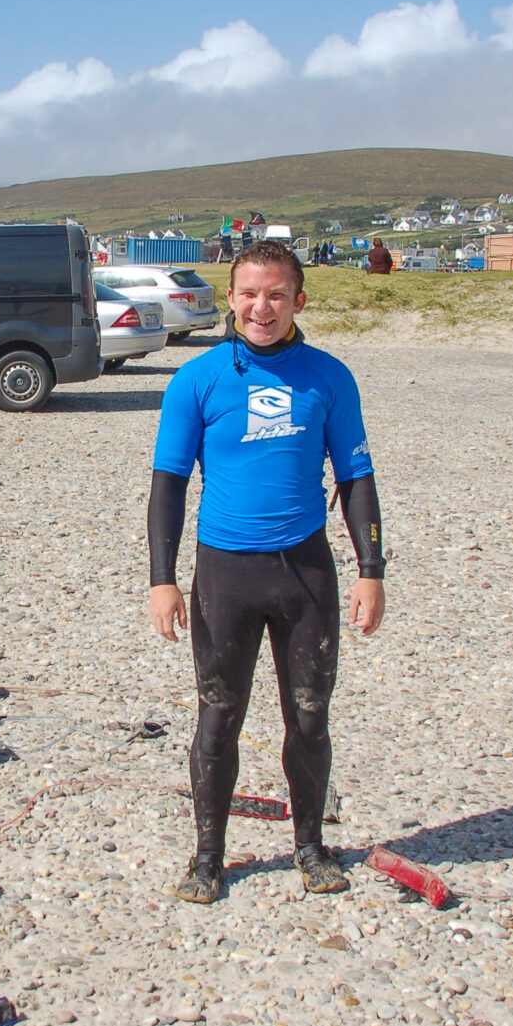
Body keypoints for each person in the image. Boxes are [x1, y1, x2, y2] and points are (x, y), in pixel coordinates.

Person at [146, 240, 387, 905]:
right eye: (250, 293)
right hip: (225, 575)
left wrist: (372, 569)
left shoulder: (329, 377)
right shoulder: (196, 380)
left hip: (304, 573)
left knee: (309, 718)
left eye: (277, 294)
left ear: (299, 301)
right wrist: (161, 578)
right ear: (231, 298)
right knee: (218, 719)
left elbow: (357, 477)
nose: (262, 306)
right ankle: (208, 856)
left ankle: (310, 848)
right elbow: (168, 485)